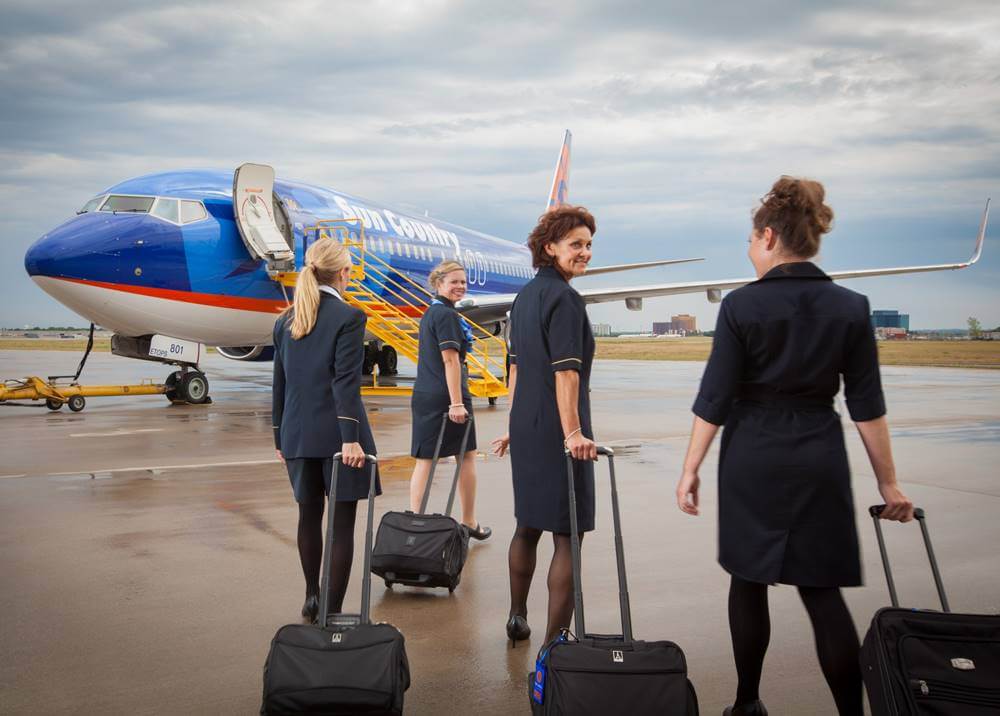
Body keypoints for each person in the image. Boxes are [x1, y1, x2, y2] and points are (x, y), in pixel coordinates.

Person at [675, 177, 914, 716]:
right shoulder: (852, 306)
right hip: (817, 453)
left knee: (748, 581)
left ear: (767, 237)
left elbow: (713, 398)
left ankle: (746, 702)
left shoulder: (740, 307)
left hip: (753, 454)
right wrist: (888, 481)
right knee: (822, 593)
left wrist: (690, 468)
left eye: (749, 242)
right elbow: (866, 405)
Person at [492, 206, 598, 647]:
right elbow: (566, 372)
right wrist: (572, 432)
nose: (585, 252)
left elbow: (517, 366)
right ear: (550, 247)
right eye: (576, 244)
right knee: (567, 536)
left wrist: (514, 423)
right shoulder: (566, 299)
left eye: (589, 245)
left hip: (528, 422)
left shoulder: (524, 297)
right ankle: (554, 646)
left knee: (527, 525)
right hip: (558, 427)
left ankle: (517, 617)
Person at [272, 237, 381, 623]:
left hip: (296, 435)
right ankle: (331, 613)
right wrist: (351, 438)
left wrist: (279, 436)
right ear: (343, 274)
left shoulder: (285, 320)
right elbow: (345, 384)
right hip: (338, 436)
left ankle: (312, 597)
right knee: (341, 526)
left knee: (308, 516)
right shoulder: (348, 317)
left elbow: (280, 384)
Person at [408, 260, 491, 540]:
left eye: (463, 282)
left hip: (424, 393)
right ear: (439, 283)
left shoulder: (431, 313)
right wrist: (456, 403)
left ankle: (415, 521)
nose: (460, 286)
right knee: (466, 457)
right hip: (447, 396)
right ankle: (468, 521)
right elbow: (451, 360)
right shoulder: (446, 316)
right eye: (454, 281)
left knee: (425, 460)